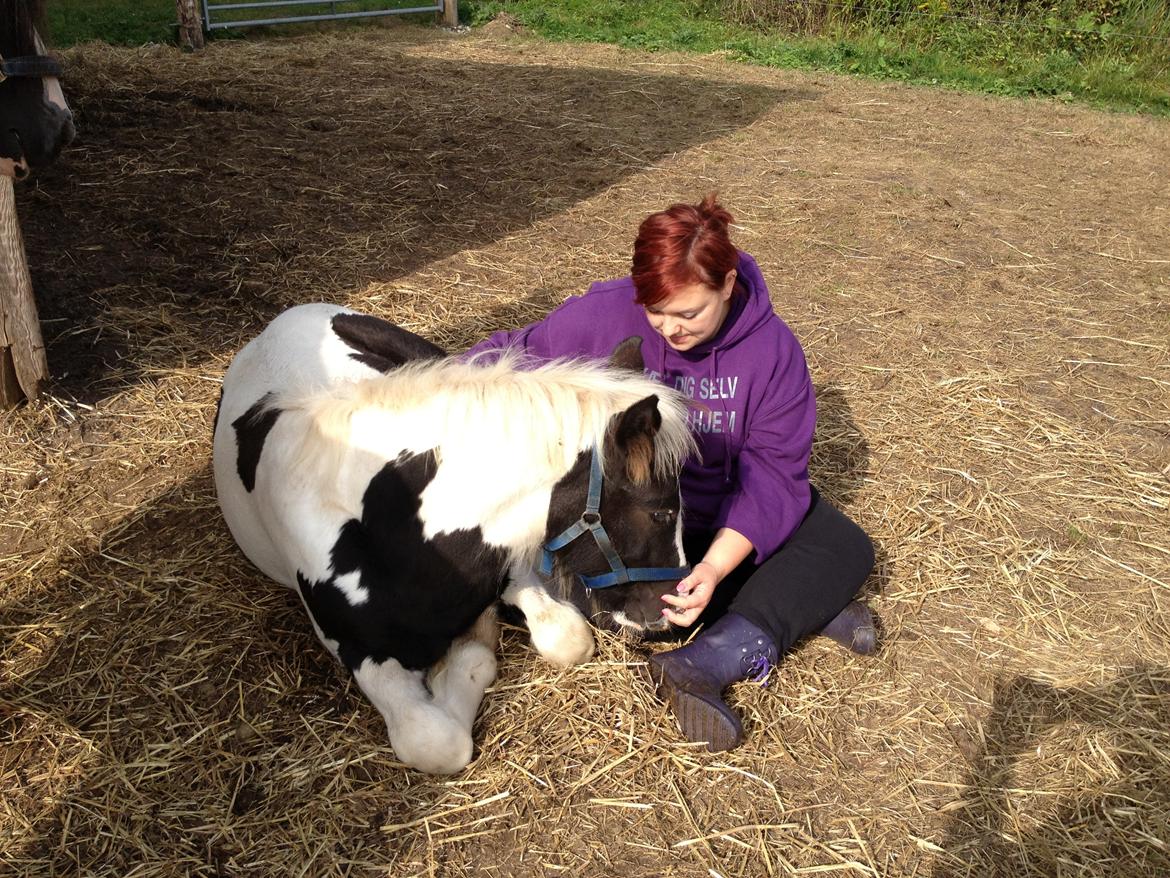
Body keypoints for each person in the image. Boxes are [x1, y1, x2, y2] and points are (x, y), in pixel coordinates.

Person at [465, 194, 877, 751]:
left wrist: (711, 567)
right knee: (632, 586)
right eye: (655, 311)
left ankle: (703, 661)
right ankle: (784, 609)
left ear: (728, 284)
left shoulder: (773, 353)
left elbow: (776, 477)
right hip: (628, 524)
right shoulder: (602, 314)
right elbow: (510, 356)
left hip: (712, 517)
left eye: (688, 313)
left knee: (843, 547)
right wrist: (432, 397)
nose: (669, 329)